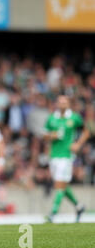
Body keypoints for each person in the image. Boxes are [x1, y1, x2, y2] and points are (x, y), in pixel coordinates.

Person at [43, 95, 85, 223]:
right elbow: (44, 135)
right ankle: (79, 206)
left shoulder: (74, 117)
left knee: (59, 184)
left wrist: (78, 144)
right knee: (61, 184)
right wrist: (52, 135)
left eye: (65, 102)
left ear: (69, 104)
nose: (62, 104)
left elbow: (86, 130)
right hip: (54, 155)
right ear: (56, 104)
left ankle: (53, 213)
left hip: (66, 155)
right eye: (60, 102)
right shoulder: (52, 118)